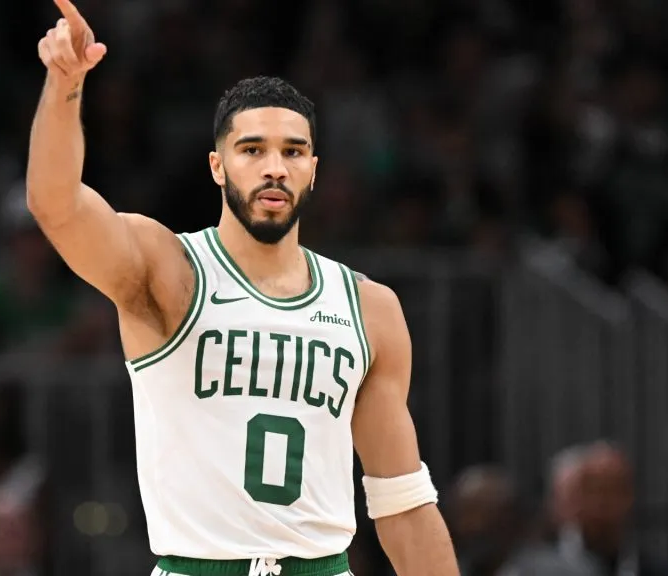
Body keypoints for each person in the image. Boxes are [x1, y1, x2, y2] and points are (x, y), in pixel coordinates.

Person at [26, 2, 459, 575]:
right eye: (252, 150)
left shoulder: (370, 308)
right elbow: (55, 204)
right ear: (217, 167)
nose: (274, 167)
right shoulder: (170, 269)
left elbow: (403, 505)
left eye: (293, 151)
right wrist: (64, 87)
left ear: (313, 171)